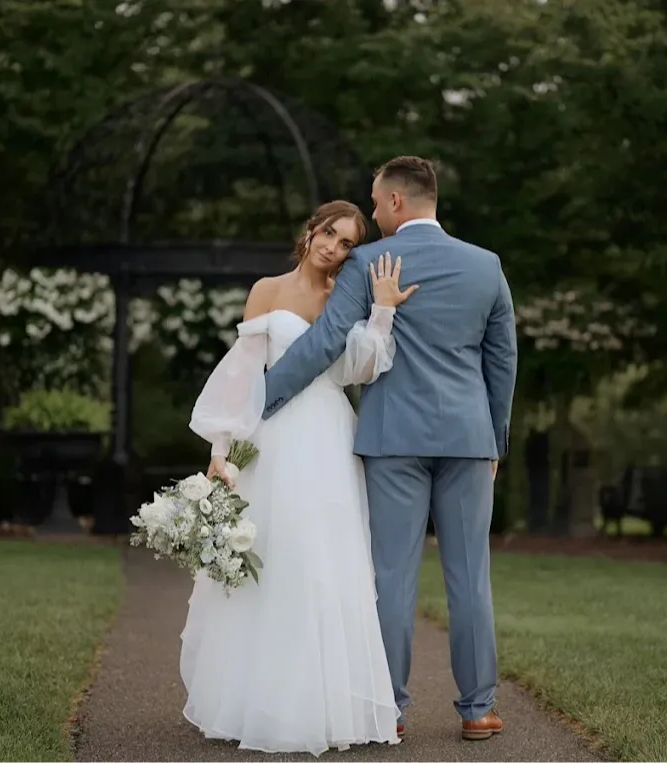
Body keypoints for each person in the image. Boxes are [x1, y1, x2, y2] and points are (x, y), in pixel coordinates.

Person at [263, 157, 519, 741]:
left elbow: (328, 341)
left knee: (391, 576)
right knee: (470, 577)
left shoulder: (370, 261)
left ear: (398, 202)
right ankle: (478, 709)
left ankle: (391, 710)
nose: (373, 212)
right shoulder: (486, 267)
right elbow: (501, 361)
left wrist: (263, 397)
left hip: (393, 441)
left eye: (376, 203)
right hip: (467, 439)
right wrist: (495, 438)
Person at [182, 200, 417, 755]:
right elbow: (243, 374)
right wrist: (223, 448)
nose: (333, 247)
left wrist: (380, 310)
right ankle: (258, 702)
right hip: (273, 437)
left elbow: (361, 367)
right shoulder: (266, 289)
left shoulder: (348, 295)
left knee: (326, 564)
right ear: (311, 231)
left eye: (346, 244)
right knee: (273, 560)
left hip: (331, 437)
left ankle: (327, 706)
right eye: (329, 234)